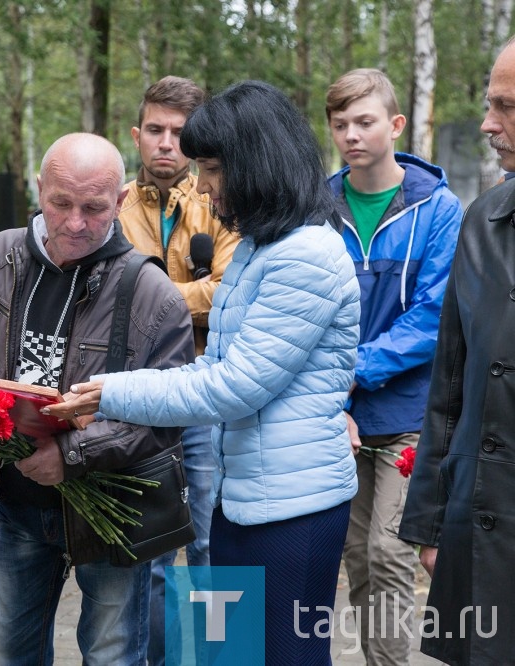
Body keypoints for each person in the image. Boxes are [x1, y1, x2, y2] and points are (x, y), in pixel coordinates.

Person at [48, 82, 361, 665]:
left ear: (255, 164)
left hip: (293, 509)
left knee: (286, 656)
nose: (205, 184)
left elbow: (231, 386)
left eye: (213, 168)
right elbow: (213, 365)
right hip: (242, 496)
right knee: (231, 654)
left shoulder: (306, 257)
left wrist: (111, 394)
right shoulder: (257, 248)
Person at [0, 132, 194, 664]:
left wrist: (69, 456)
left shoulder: (151, 293)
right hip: (21, 506)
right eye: (60, 203)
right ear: (39, 188)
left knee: (112, 654)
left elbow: (165, 416)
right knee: (14, 653)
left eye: (94, 208)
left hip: (113, 509)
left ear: (119, 201)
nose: (74, 222)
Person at [325, 68, 462, 665]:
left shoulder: (439, 209)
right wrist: (336, 386)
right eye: (339, 125)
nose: (352, 135)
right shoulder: (320, 209)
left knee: (389, 548)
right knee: (357, 553)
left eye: (365, 121)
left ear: (395, 124)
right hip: (339, 410)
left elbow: (435, 314)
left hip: (410, 411)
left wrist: (355, 368)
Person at [398, 37, 515, 666]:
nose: (488, 124)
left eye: (507, 107)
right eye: (489, 103)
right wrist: (433, 522)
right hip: (481, 522)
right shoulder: (483, 222)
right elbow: (449, 385)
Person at [117, 74, 239, 666]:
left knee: (214, 539)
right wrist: (187, 292)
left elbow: (230, 289)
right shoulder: (111, 205)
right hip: (138, 395)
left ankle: (220, 659)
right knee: (152, 545)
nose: (167, 143)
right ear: (137, 135)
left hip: (207, 390)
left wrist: (158, 296)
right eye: (156, 131)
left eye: (180, 133)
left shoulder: (223, 200)